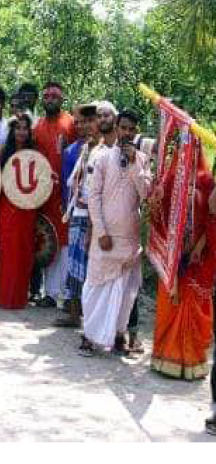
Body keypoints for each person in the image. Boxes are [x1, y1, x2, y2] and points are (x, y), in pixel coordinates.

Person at [79, 109, 151, 356]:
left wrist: (133, 166)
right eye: (124, 128)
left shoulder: (141, 159)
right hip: (105, 236)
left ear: (136, 132)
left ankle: (118, 336)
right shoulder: (102, 157)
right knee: (95, 287)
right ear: (117, 129)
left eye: (132, 129)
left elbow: (147, 194)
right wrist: (100, 231)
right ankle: (89, 336)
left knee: (125, 293)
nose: (127, 133)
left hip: (129, 238)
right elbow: (93, 197)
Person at [148, 141, 216, 380]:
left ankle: (192, 362)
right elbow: (157, 216)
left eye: (196, 147)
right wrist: (154, 197)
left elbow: (211, 217)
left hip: (198, 257)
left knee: (194, 304)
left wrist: (198, 246)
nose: (192, 151)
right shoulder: (170, 178)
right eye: (186, 146)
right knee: (171, 303)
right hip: (172, 255)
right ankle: (166, 359)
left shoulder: (208, 181)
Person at [55, 102, 105, 327]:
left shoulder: (107, 150)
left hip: (100, 216)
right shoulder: (73, 151)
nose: (85, 126)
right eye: (81, 122)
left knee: (95, 265)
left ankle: (95, 316)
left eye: (90, 121)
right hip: (78, 211)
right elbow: (68, 185)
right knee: (75, 263)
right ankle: (74, 312)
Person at [32, 82, 76, 307]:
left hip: (65, 194)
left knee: (66, 243)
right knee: (47, 240)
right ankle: (49, 293)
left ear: (62, 99)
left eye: (54, 96)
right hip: (43, 195)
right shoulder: (37, 126)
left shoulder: (71, 123)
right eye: (46, 96)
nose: (50, 99)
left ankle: (65, 294)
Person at [0, 114, 37, 309]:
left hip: (27, 207)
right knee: (8, 251)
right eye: (17, 128)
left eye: (24, 128)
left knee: (24, 250)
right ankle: (5, 296)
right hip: (7, 206)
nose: (21, 132)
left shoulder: (35, 154)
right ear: (12, 131)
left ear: (29, 131)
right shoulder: (3, 152)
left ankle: (20, 297)